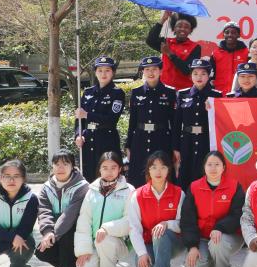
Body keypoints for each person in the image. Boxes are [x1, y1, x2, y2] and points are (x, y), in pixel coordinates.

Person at [180, 150, 245, 267]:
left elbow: (238, 214)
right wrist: (192, 246)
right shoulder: (194, 187)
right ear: (204, 167)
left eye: (217, 164)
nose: (213, 168)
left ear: (223, 167)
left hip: (229, 236)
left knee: (217, 241)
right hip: (203, 238)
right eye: (209, 164)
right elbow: (187, 219)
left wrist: (220, 228)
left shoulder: (234, 186)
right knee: (192, 266)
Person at [74, 151, 136, 267]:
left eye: (113, 167)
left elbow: (130, 221)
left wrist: (106, 228)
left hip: (119, 243)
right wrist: (83, 250)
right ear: (100, 169)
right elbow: (84, 220)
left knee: (104, 239)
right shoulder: (92, 190)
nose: (109, 172)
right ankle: (106, 262)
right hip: (95, 242)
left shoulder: (128, 190)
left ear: (120, 169)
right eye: (105, 168)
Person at [128, 151, 185, 267]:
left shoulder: (179, 193)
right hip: (149, 243)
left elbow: (183, 224)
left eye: (163, 167)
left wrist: (167, 224)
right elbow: (134, 228)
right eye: (154, 167)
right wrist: (142, 253)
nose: (158, 172)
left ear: (169, 170)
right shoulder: (138, 195)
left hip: (174, 242)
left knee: (160, 233)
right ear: (148, 170)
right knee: (142, 266)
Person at [35, 151, 89, 267]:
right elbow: (44, 211)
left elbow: (69, 215)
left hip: (76, 229)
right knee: (41, 252)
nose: (60, 168)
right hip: (54, 230)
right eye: (57, 164)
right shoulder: (46, 187)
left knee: (66, 235)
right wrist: (47, 232)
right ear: (52, 166)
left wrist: (54, 235)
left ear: (73, 166)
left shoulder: (82, 186)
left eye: (65, 164)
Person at [125, 56, 177, 187]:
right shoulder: (136, 92)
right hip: (140, 140)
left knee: (161, 175)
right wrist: (128, 145)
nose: (151, 73)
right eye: (147, 69)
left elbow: (174, 123)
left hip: (161, 139)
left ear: (160, 71)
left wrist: (175, 147)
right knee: (139, 176)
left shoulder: (169, 93)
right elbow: (132, 121)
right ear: (143, 72)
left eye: (154, 69)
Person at [173, 56, 223, 190]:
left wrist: (212, 108)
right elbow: (177, 124)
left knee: (205, 173)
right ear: (191, 76)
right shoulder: (182, 95)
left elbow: (221, 123)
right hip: (187, 141)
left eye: (203, 73)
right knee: (185, 175)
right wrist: (176, 148)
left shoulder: (216, 95)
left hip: (206, 141)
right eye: (195, 73)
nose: (199, 77)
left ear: (209, 75)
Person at [74, 55, 126, 182]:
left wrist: (87, 115)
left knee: (108, 178)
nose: (103, 74)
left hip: (106, 141)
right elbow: (79, 120)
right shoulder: (88, 92)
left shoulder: (117, 93)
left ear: (113, 72)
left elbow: (111, 119)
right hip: (88, 141)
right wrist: (78, 135)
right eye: (100, 70)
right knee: (88, 178)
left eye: (107, 70)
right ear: (95, 72)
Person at [146, 10, 201, 91]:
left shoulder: (195, 47)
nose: (182, 29)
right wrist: (163, 19)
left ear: (190, 30)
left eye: (186, 27)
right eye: (179, 26)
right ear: (174, 29)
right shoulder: (166, 42)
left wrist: (169, 53)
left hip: (184, 90)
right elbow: (150, 40)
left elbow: (187, 70)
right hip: (164, 88)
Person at [210, 21, 249, 94]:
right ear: (223, 34)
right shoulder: (215, 53)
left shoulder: (246, 53)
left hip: (240, 94)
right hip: (219, 94)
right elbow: (211, 75)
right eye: (227, 32)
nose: (230, 35)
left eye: (233, 32)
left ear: (238, 35)